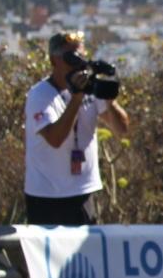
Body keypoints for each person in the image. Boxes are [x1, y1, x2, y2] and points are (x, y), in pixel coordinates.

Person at [24, 31, 130, 226]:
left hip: (82, 192)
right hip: (47, 196)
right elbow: (55, 139)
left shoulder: (90, 89)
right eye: (70, 57)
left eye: (80, 57)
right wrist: (77, 97)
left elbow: (122, 129)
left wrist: (110, 102)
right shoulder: (40, 95)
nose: (77, 64)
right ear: (54, 60)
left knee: (85, 255)